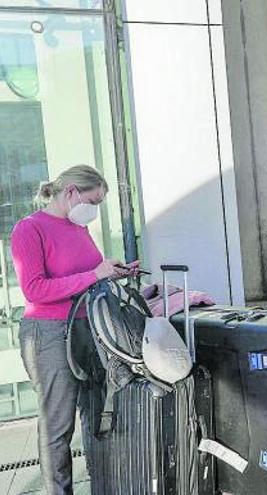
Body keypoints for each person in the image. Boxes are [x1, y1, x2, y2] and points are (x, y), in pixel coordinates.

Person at [10, 165, 139, 494]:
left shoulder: (77, 227)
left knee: (96, 417)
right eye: (93, 201)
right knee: (58, 425)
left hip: (88, 328)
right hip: (49, 334)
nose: (95, 210)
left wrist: (113, 273)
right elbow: (35, 290)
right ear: (70, 193)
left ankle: (103, 486)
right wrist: (95, 275)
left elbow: (85, 275)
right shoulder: (30, 229)